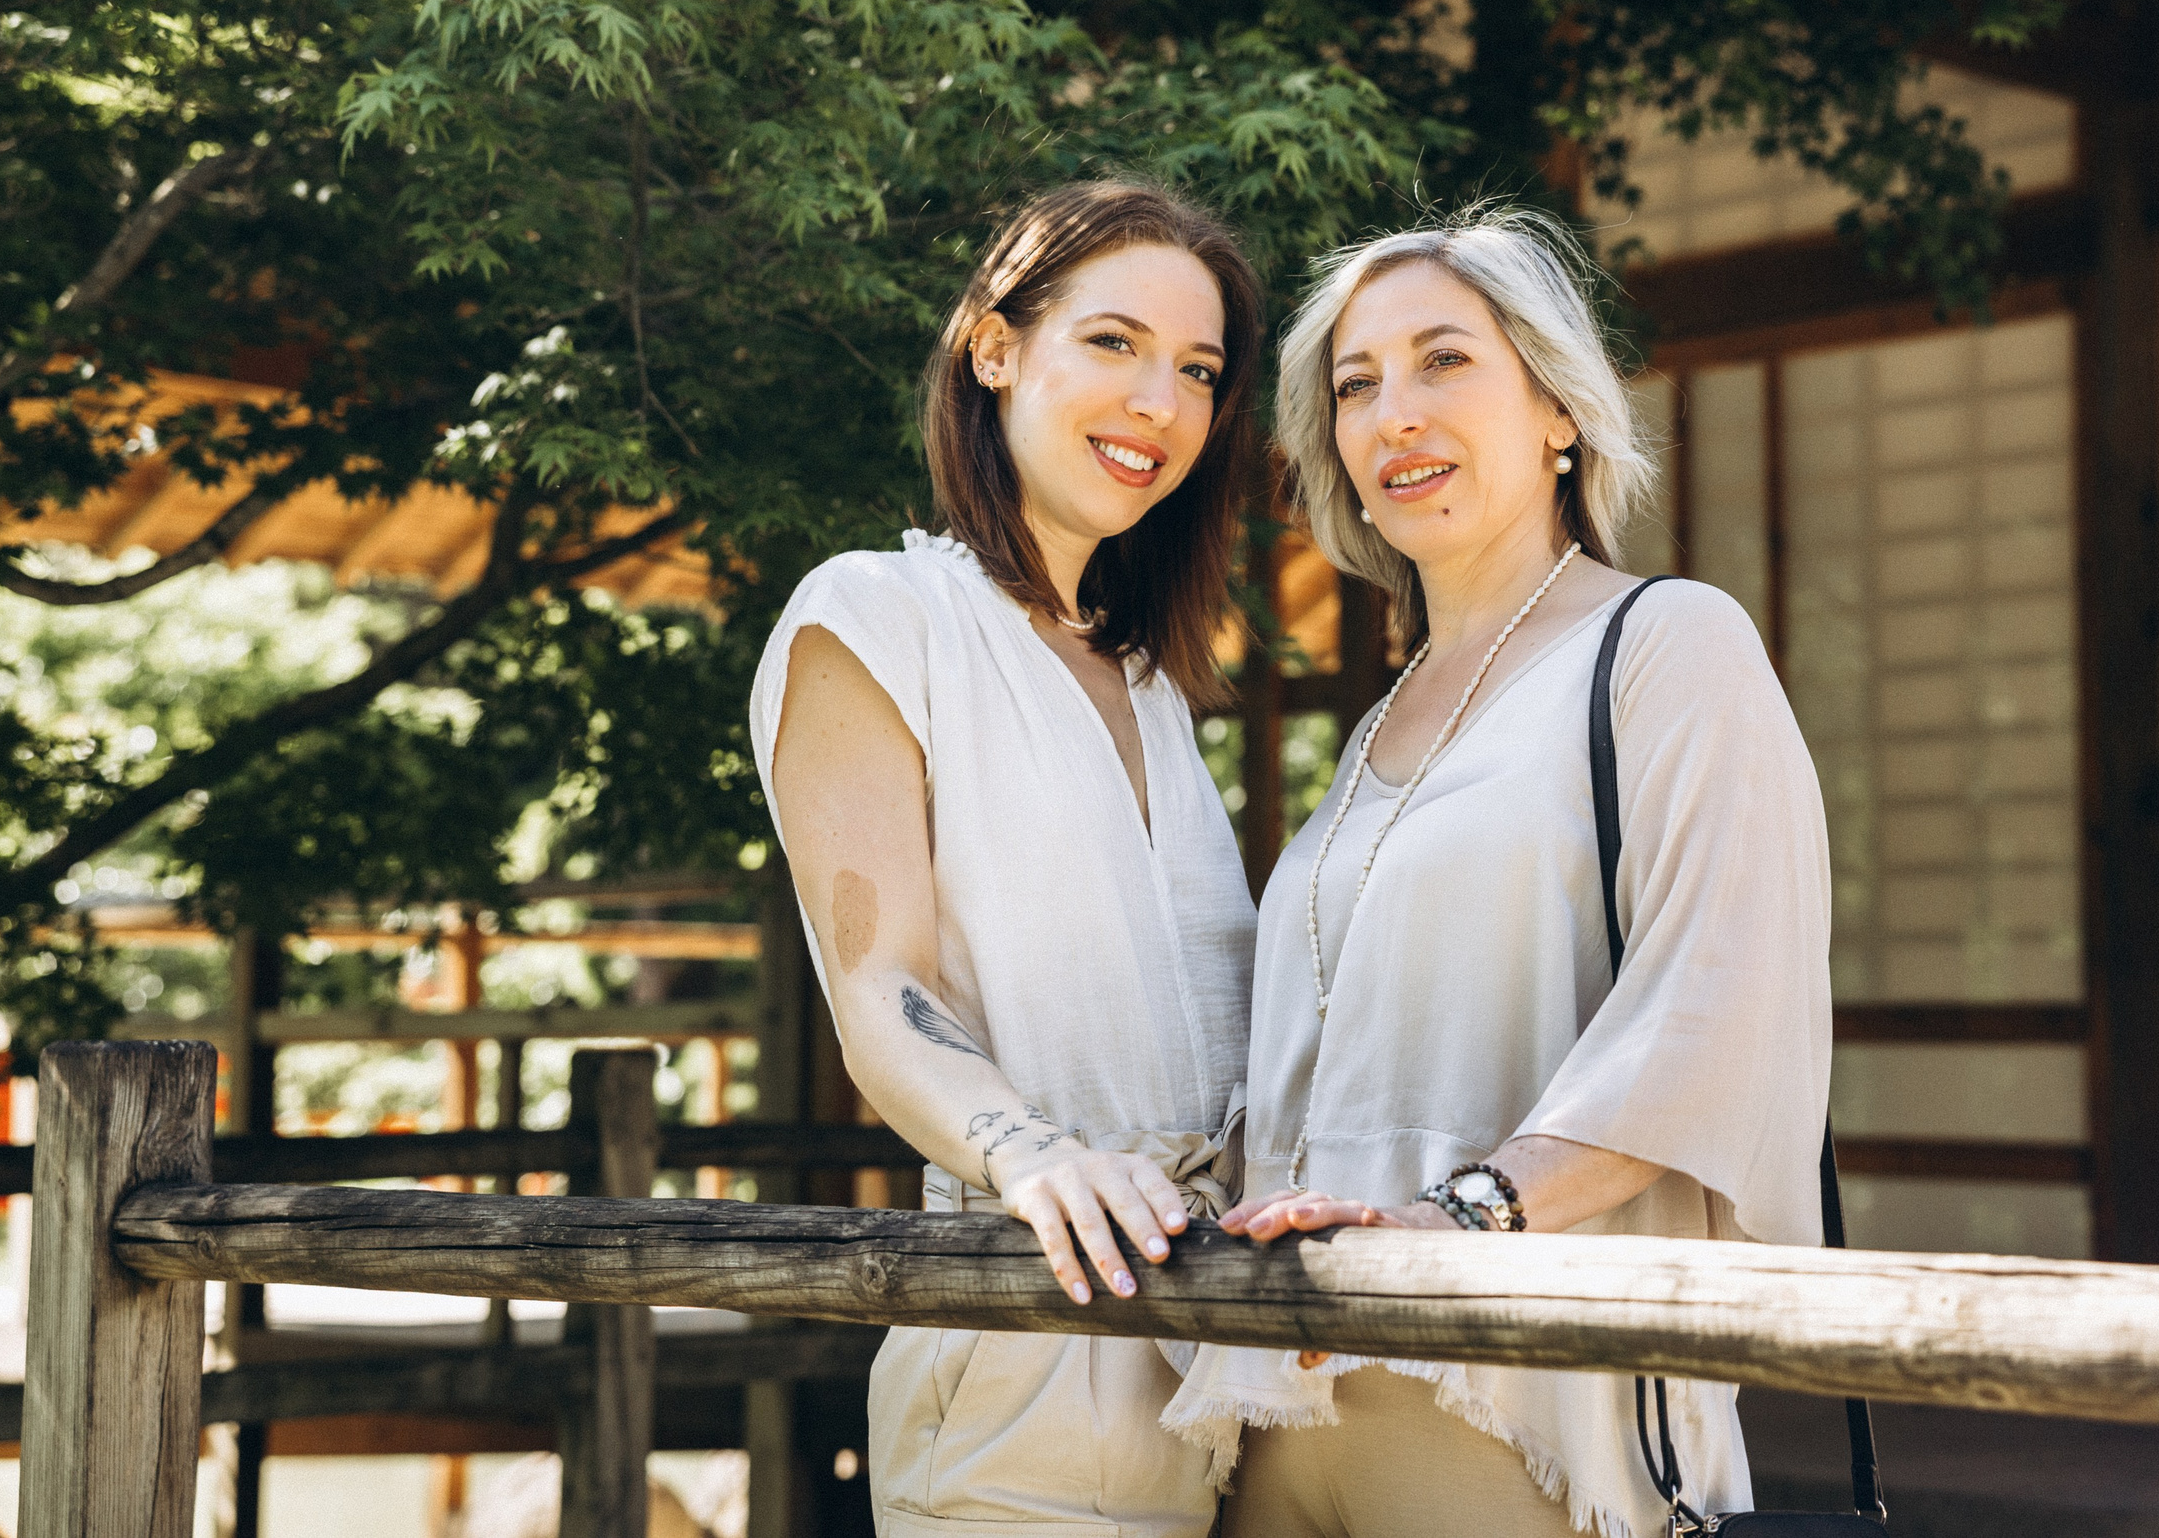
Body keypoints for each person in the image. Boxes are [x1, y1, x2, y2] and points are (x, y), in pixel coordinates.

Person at [1161, 204, 1832, 1538]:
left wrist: (1463, 1216)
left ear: (1560, 411)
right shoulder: (1378, 724)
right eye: (1356, 386)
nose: (1393, 413)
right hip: (1282, 1397)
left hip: (1519, 1398)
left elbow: (1719, 1006)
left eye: (1445, 361)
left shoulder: (1667, 646)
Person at [748, 179, 1263, 1538]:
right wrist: (1034, 1158)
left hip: (1228, 1363)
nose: (1160, 401)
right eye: (1113, 342)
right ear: (994, 347)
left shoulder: (1149, 681)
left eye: (1198, 370)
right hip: (1022, 1344)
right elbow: (881, 998)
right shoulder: (878, 614)